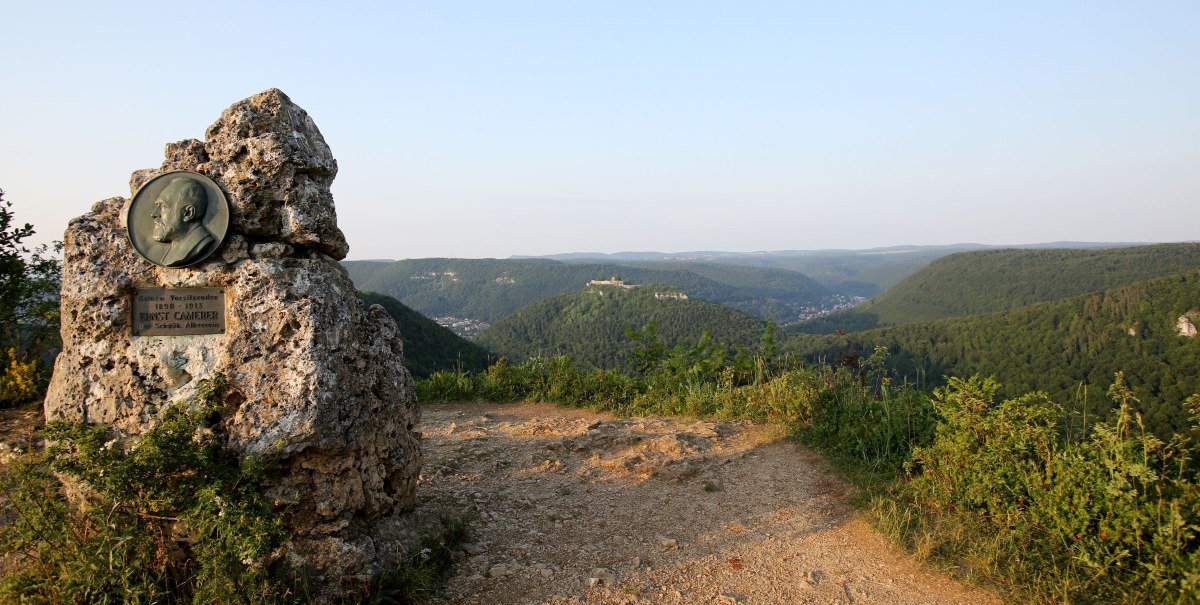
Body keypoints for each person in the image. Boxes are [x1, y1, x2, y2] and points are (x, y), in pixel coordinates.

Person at [151, 177, 217, 266]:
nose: (154, 214)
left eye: (163, 207)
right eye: (157, 205)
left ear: (188, 213)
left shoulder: (199, 245)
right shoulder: (174, 248)